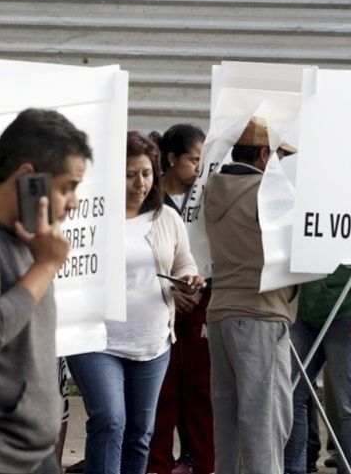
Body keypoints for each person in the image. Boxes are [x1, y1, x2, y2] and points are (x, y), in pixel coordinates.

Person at [67, 131, 204, 474]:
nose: (139, 183)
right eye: (129, 174)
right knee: (110, 419)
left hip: (152, 342)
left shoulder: (166, 218)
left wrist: (188, 280)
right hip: (96, 339)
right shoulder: (87, 217)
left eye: (145, 173)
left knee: (141, 433)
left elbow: (184, 262)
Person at [0, 108, 91, 474]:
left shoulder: (34, 241)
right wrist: (46, 266)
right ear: (28, 179)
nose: (74, 201)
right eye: (66, 186)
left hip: (34, 455)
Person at [204, 116, 298, 474]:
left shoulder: (213, 188)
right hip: (261, 312)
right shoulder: (268, 193)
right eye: (278, 157)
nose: (281, 166)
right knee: (265, 421)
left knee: (227, 424)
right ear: (262, 154)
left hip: (220, 312)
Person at [147, 123, 215, 474]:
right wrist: (169, 291)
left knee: (201, 387)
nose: (198, 169)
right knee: (162, 389)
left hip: (201, 299)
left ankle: (201, 461)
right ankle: (157, 463)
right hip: (157, 303)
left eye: (202, 161)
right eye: (192, 160)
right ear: (171, 159)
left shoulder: (207, 194)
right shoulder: (147, 197)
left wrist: (196, 286)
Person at [285, 265, 351, 474]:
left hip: (349, 311)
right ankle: (293, 469)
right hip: (306, 313)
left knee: (349, 402)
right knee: (292, 395)